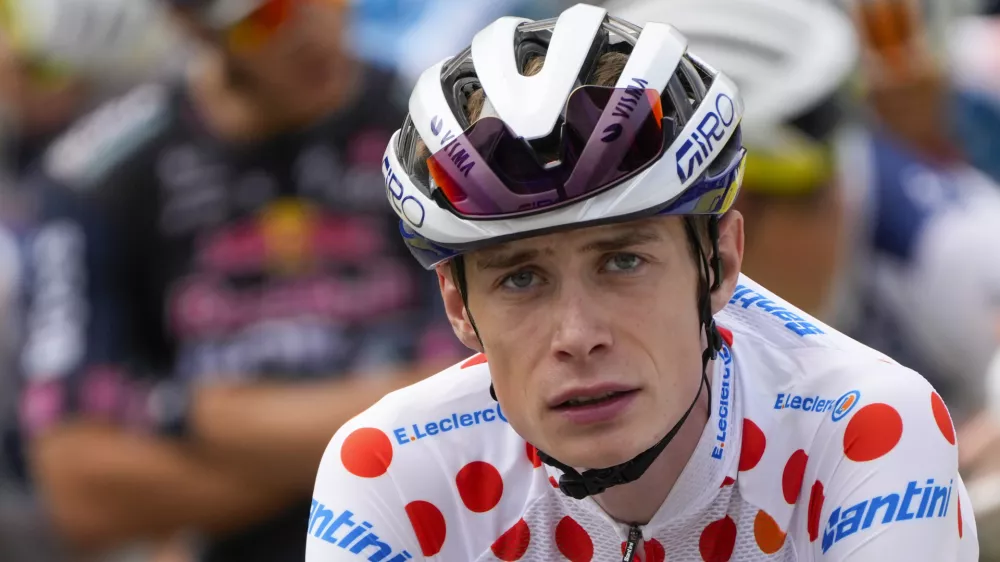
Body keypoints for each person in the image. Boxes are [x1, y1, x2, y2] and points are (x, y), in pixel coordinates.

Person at [307, 3, 979, 560]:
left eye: (622, 261)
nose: (578, 336)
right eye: (521, 279)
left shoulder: (865, 426)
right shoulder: (391, 471)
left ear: (721, 258)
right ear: (457, 303)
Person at [15, 0, 461, 561]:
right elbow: (80, 489)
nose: (307, 30)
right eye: (267, 15)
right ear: (186, 21)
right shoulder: (94, 177)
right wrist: (385, 432)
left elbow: (498, 404)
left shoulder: (444, 138)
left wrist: (204, 418)